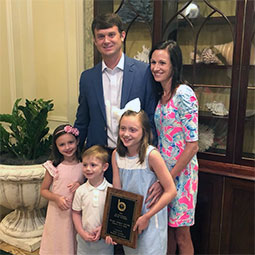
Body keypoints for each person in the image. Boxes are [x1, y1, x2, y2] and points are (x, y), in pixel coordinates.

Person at [74, 12, 158, 184]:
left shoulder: (143, 73)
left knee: (131, 210)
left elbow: (151, 119)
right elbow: (82, 121)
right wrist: (70, 158)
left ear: (122, 35)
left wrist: (153, 162)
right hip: (99, 162)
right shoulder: (87, 78)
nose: (106, 41)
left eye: (111, 34)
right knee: (98, 210)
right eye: (101, 36)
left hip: (134, 160)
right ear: (95, 41)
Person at [149, 40, 199, 254]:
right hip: (163, 173)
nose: (156, 67)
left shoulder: (184, 94)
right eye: (152, 62)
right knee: (165, 231)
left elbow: (192, 145)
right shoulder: (161, 96)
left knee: (181, 234)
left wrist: (166, 178)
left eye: (162, 63)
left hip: (182, 175)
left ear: (173, 66)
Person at [106, 109, 177, 255]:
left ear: (144, 132)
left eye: (133, 130)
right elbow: (117, 191)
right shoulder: (116, 155)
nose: (126, 134)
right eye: (123, 128)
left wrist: (147, 217)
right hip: (129, 222)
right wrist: (111, 226)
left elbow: (171, 191)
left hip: (150, 219)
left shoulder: (151, 156)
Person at [40, 124, 84, 255]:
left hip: (76, 211)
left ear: (77, 141)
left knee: (72, 237)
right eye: (62, 145)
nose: (67, 147)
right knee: (57, 238)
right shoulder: (53, 166)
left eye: (70, 142)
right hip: (57, 212)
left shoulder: (84, 164)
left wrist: (80, 184)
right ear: (56, 147)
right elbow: (43, 190)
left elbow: (88, 184)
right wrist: (57, 198)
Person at [72, 145, 113, 255]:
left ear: (104, 167)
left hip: (104, 244)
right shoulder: (80, 190)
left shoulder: (111, 190)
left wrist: (106, 229)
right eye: (85, 165)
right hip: (84, 242)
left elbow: (113, 217)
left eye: (93, 165)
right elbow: (76, 213)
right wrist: (81, 232)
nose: (88, 169)